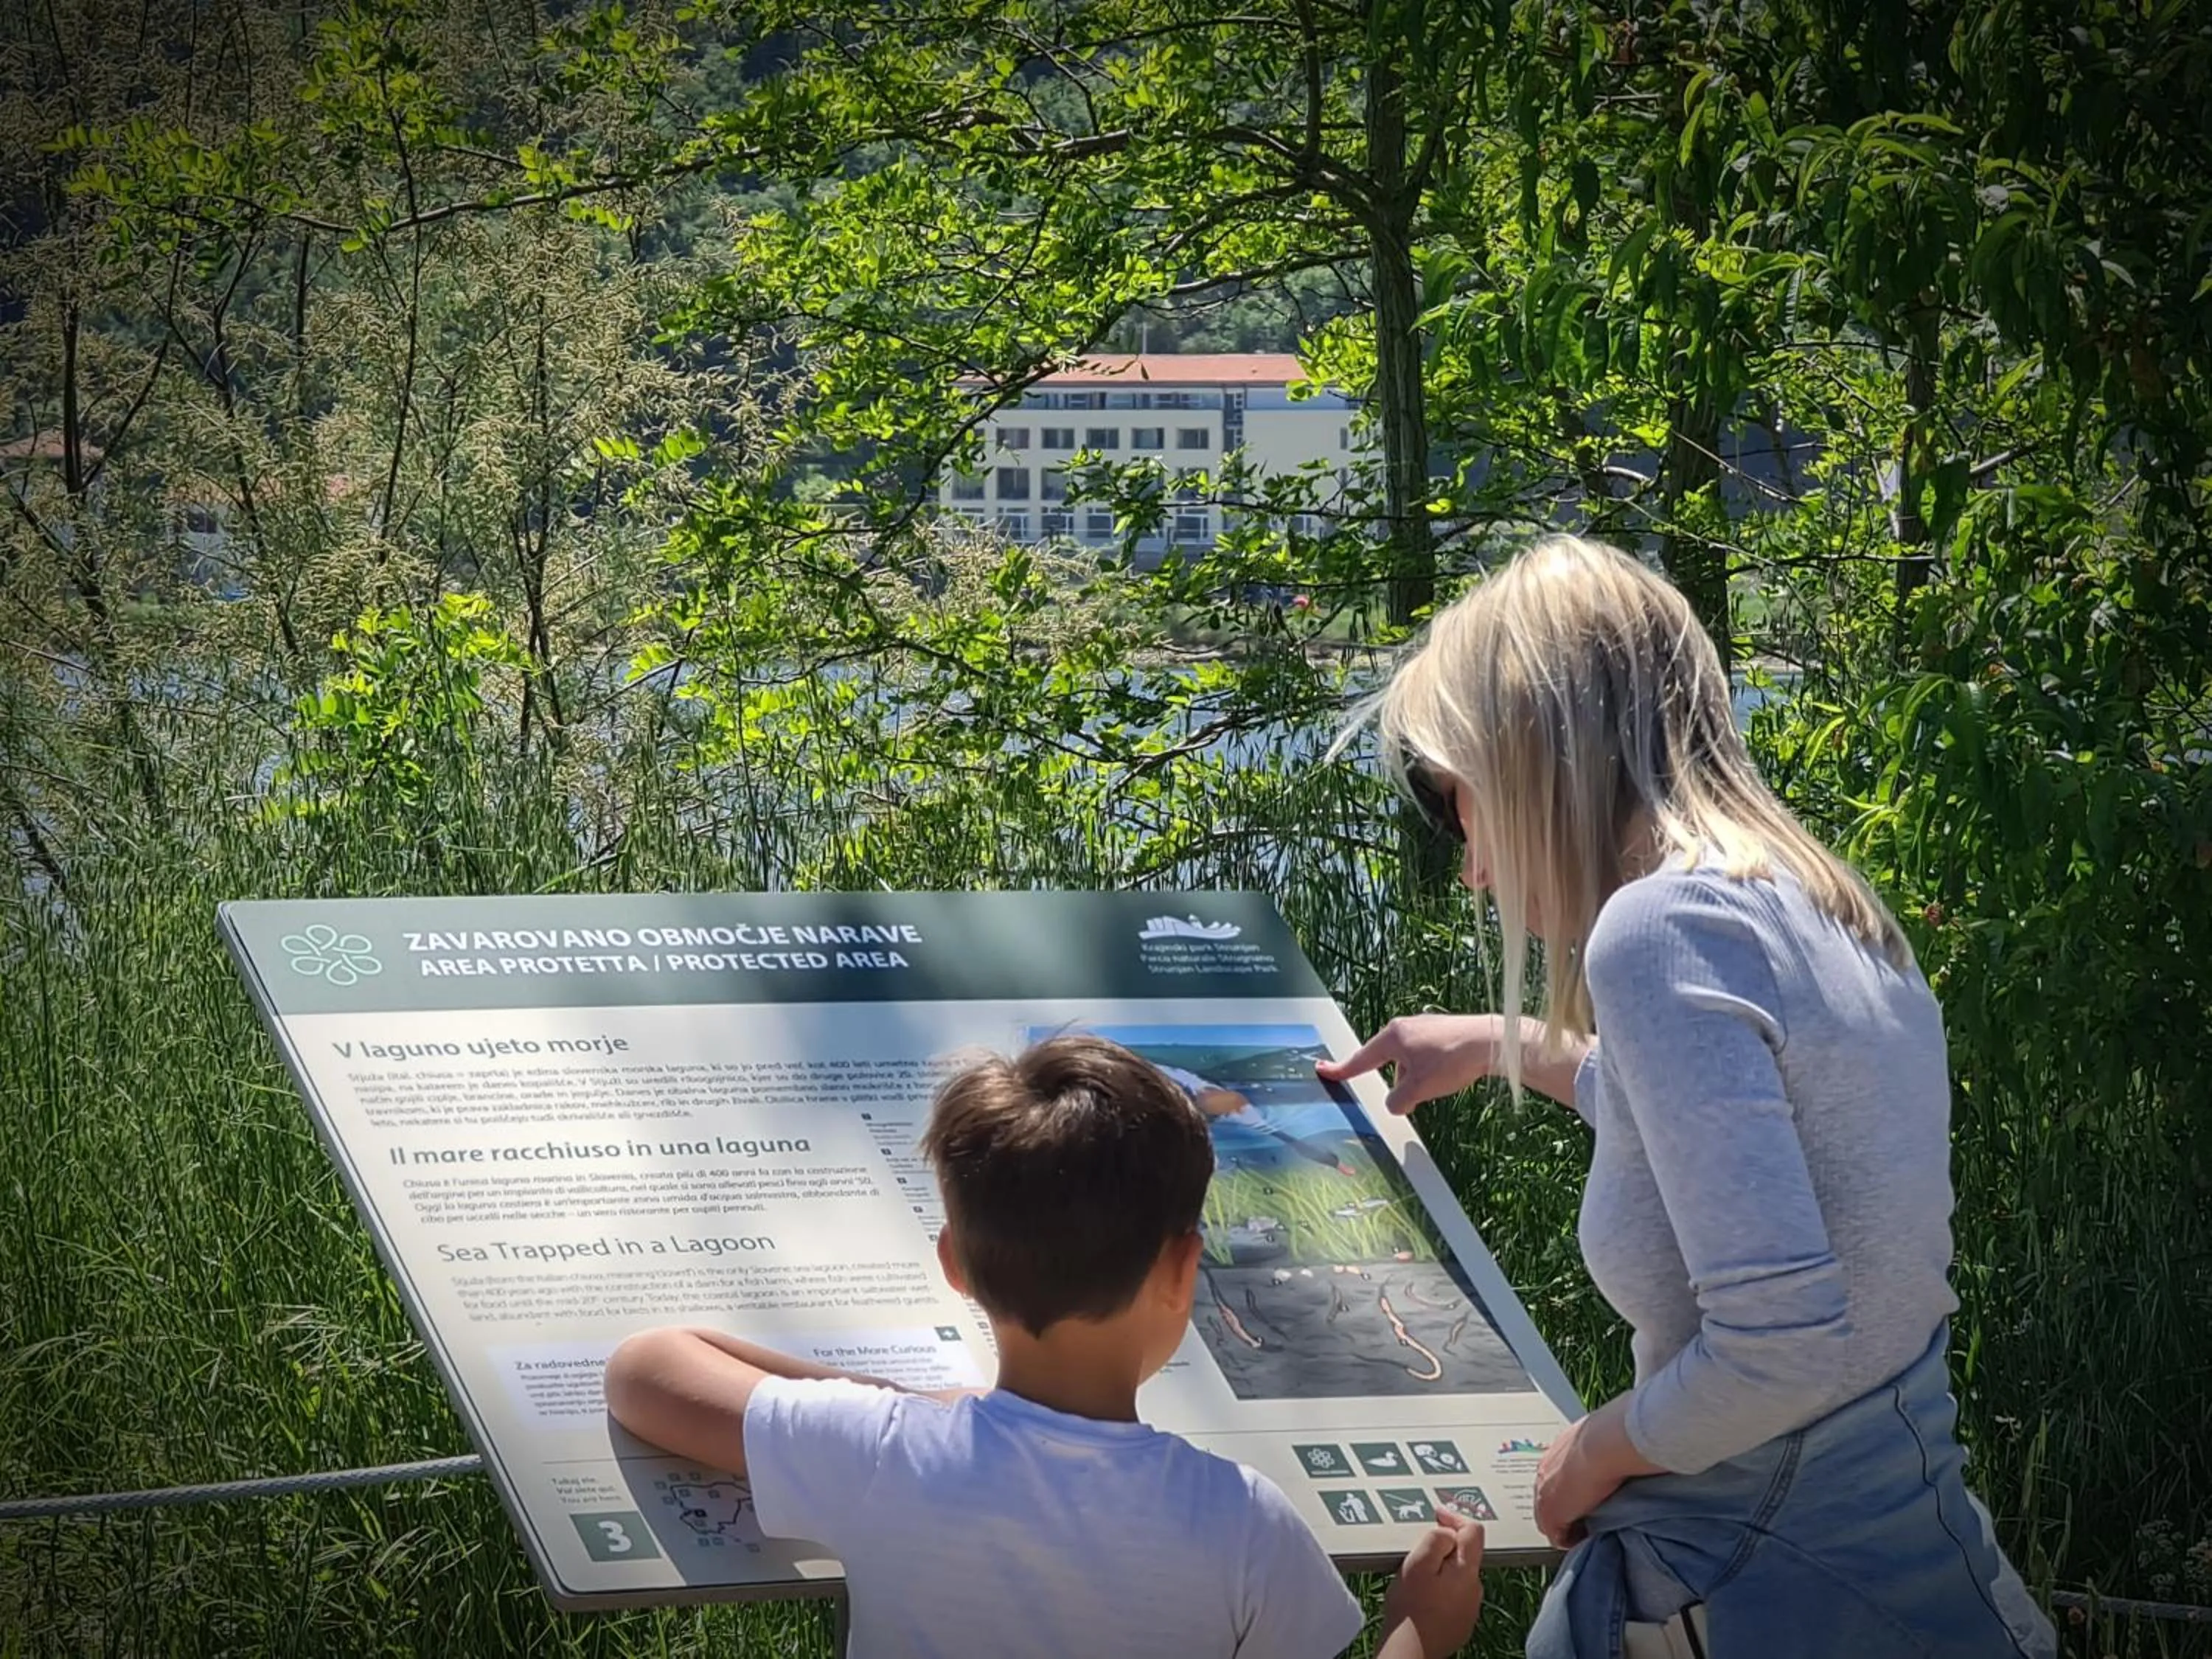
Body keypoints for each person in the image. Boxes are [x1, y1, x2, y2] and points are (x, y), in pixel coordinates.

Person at [1319, 536, 2057, 1659]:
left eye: (1446, 796)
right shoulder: (1823, 901)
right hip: (1920, 1574)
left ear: (1529, 751)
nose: (1467, 862)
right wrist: (1510, 1044)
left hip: (1772, 1593)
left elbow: (1781, 1350)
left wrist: (1595, 1452)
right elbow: (1749, 1142)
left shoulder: (1656, 931)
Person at [605, 1034, 1486, 1658]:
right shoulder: (1245, 1523)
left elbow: (647, 1368)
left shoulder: (883, 1452)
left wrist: (894, 1402)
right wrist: (1416, 1628)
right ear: (1185, 1267)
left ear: (956, 1264)